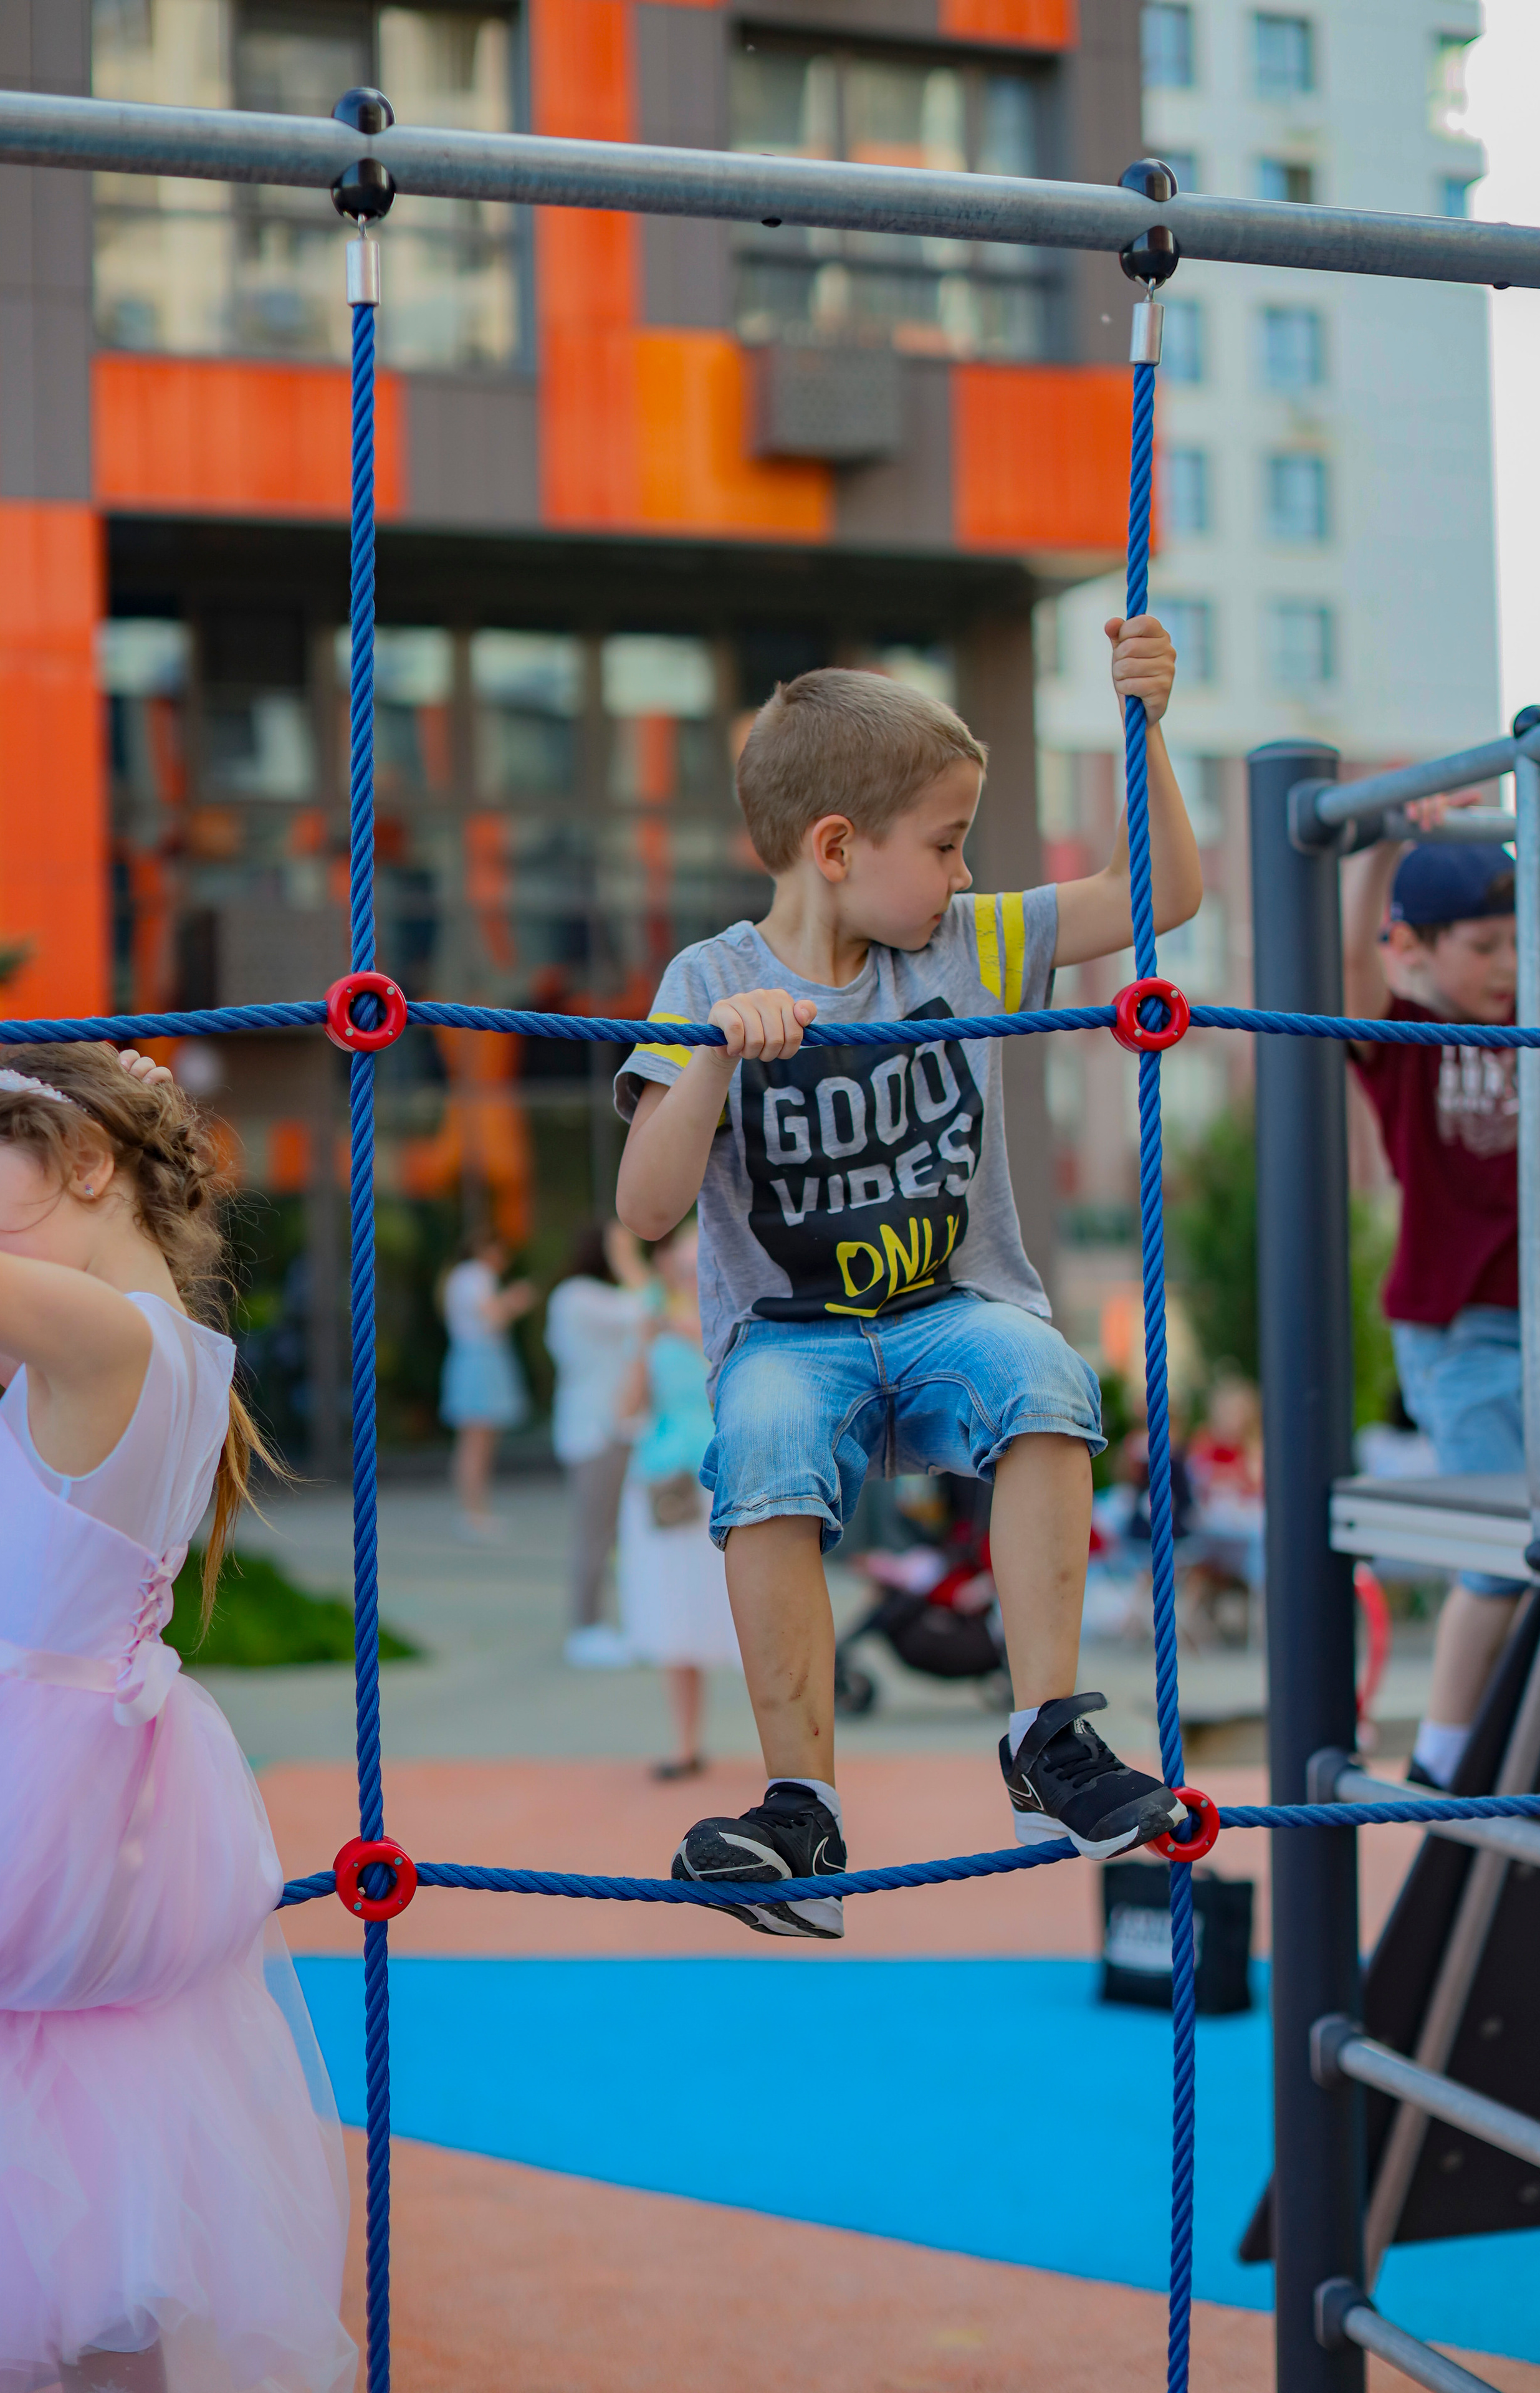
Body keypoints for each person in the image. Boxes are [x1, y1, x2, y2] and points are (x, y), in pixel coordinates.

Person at [615, 617, 1202, 1937]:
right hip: (786, 1336)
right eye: (942, 843)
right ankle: (796, 1809)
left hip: (950, 1314)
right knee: (758, 1433)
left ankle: (1045, 1739)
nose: (962, 867)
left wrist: (1144, 726)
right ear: (837, 848)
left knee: (1043, 1373)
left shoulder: (970, 949)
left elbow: (1161, 897)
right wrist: (712, 1058)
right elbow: (645, 1206)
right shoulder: (707, 979)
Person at [0, 1043, 353, 2392]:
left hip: (22, 1789)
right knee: (89, 2214)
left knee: (56, 2217)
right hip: (77, 1793)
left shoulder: (105, 1342)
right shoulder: (164, 1344)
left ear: (81, 1167)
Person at [1344, 830, 1540, 1789]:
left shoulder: (1534, 1014)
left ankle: (1520, 1744)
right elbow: (1351, 965)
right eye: (1480, 947)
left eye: (1514, 943)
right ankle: (1439, 1761)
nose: (1504, 966)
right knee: (1507, 1556)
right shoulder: (1401, 1036)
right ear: (1421, 946)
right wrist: (1377, 853)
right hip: (1461, 1338)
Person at [615, 1221, 743, 1777]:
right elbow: (625, 1409)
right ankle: (686, 1744)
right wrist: (647, 1339)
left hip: (728, 1473)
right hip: (667, 1476)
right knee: (673, 1609)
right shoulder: (650, 1318)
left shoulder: (730, 1310)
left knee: (748, 1606)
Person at [544, 1216, 651, 1666]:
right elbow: (649, 1307)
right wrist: (630, 1262)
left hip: (610, 1429)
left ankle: (609, 1626)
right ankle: (586, 1629)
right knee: (597, 1534)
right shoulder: (576, 1297)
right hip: (598, 1431)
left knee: (621, 1533)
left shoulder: (587, 1298)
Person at [439, 1229, 534, 1542]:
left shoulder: (460, 1276)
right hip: (480, 1359)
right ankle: (473, 1514)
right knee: (476, 1442)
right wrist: (515, 1300)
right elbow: (493, 1317)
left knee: (475, 1441)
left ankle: (475, 1511)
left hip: (474, 1358)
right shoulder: (477, 1275)